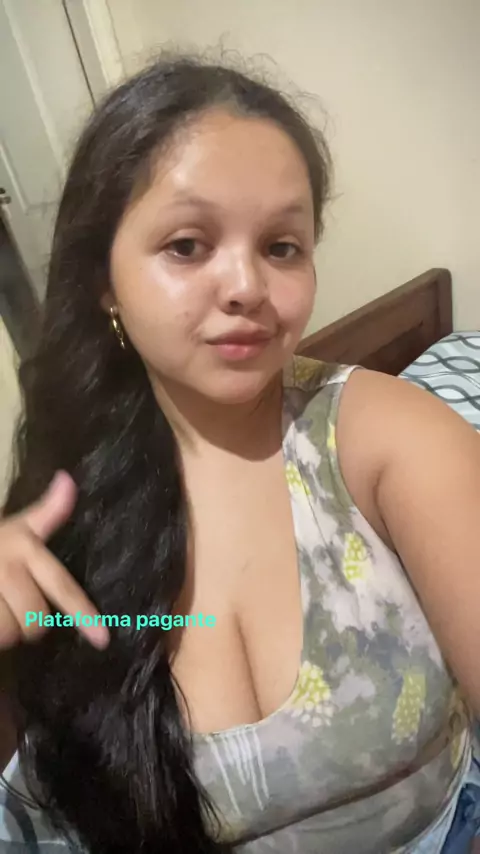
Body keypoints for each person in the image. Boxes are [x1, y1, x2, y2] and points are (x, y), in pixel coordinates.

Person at [0, 54, 479, 854]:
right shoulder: (65, 507)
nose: (247, 287)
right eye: (188, 245)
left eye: (282, 246)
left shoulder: (386, 437)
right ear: (104, 280)